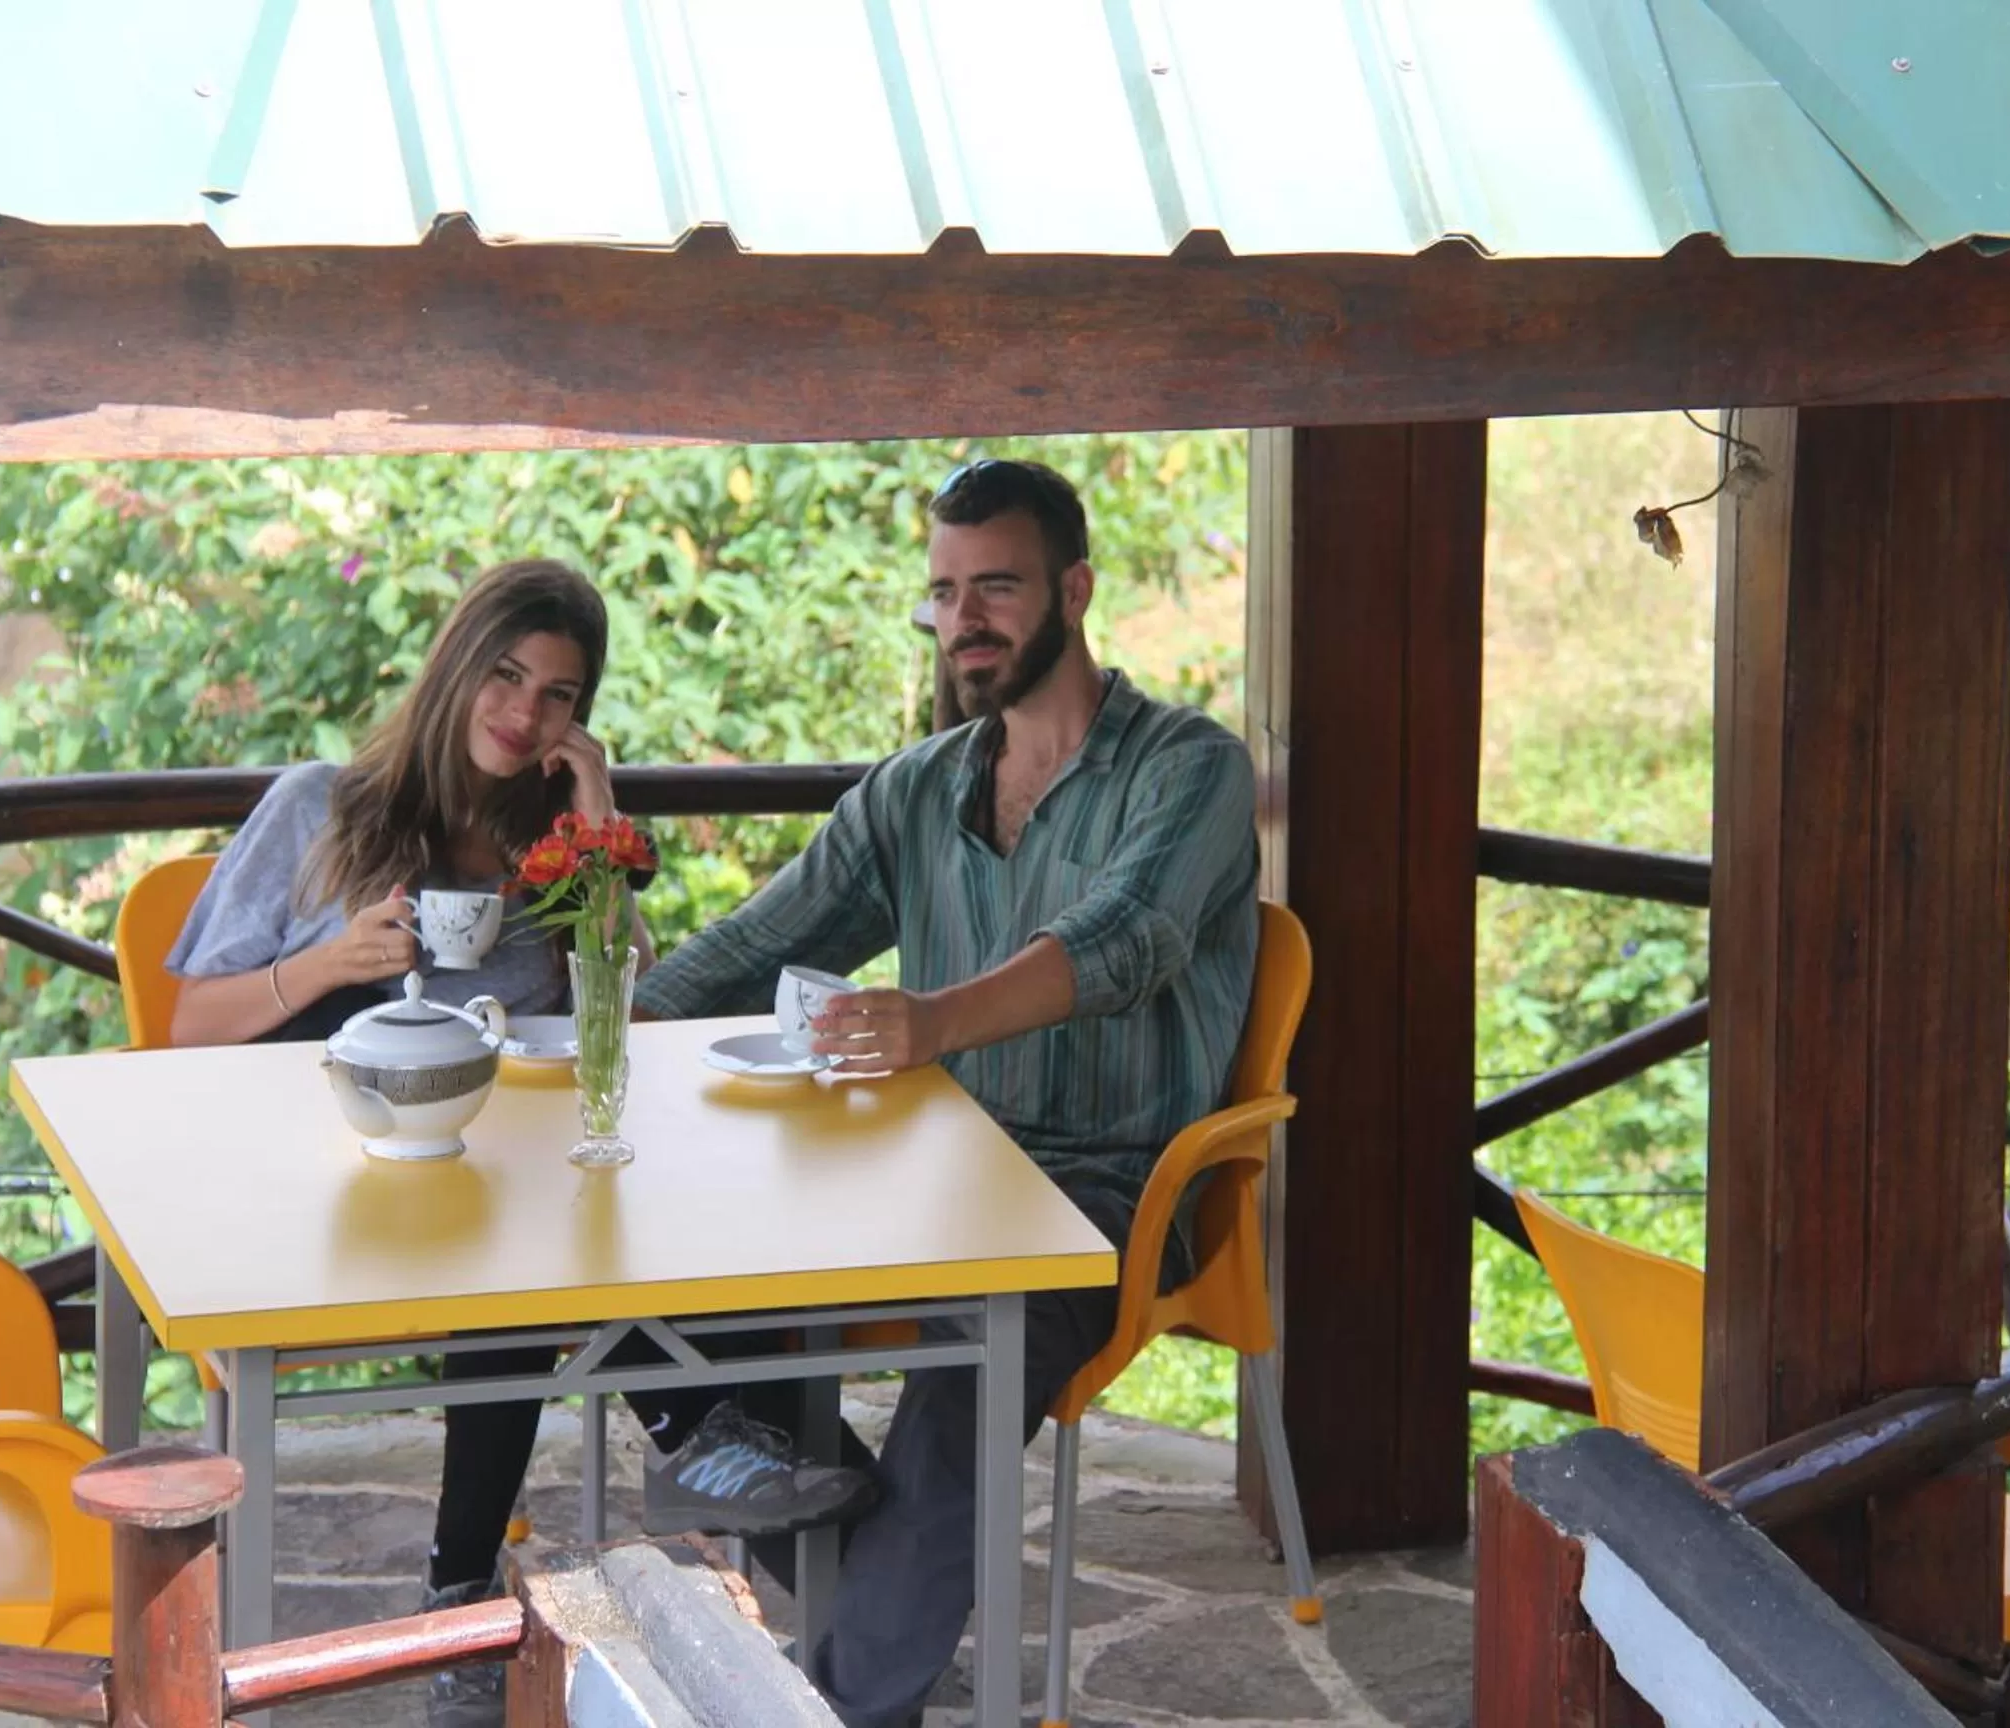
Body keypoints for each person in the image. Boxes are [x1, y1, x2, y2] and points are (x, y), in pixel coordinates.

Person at [632, 458, 1261, 1727]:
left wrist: (933, 1021)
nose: (964, 619)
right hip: (926, 1174)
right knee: (675, 1299)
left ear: (1074, 591)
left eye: (998, 588)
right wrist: (588, 1036)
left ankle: (855, 1696)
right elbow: (751, 950)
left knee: (969, 1375)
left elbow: (1123, 940)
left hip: (1106, 1190)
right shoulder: (919, 787)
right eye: (943, 593)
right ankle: (876, 1613)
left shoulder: (1189, 768)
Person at [162, 558, 663, 1724]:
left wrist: (597, 836)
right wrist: (322, 965)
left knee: (530, 1244)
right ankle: (703, 1430)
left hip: (490, 1204)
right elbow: (185, 1027)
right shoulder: (321, 807)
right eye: (504, 675)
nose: (522, 712)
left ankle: (462, 1605)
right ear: (455, 667)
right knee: (531, 1254)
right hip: (325, 1197)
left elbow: (627, 1009)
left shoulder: (548, 854)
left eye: (557, 695)